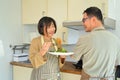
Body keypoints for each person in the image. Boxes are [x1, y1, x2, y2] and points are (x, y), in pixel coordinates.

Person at [71, 7, 120, 80]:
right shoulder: (116, 40)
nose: (83, 23)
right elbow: (117, 63)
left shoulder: (84, 39)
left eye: (84, 20)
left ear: (93, 19)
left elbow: (74, 57)